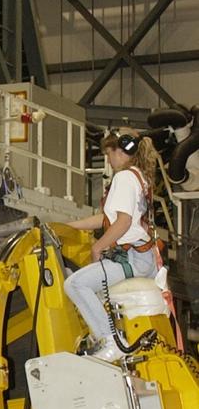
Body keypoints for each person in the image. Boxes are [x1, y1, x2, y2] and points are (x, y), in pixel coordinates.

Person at [64, 130, 159, 362]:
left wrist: (98, 246)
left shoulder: (124, 178)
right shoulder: (139, 178)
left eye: (110, 153)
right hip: (142, 257)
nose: (108, 159)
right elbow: (105, 219)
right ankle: (107, 337)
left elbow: (123, 222)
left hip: (131, 258)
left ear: (123, 150)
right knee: (86, 283)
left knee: (74, 284)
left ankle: (110, 340)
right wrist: (69, 226)